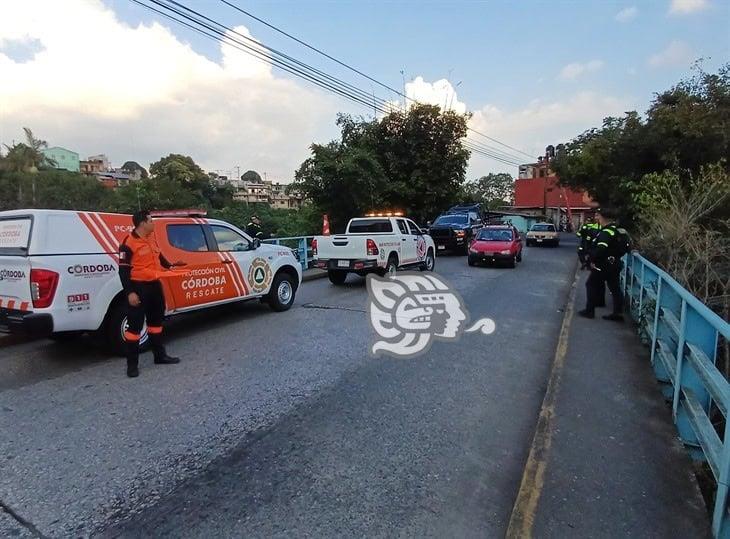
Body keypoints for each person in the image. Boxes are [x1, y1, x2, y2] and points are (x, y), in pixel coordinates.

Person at [118, 210, 186, 378]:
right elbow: (123, 271)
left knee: (156, 323)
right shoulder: (128, 243)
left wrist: (170, 266)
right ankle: (132, 365)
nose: (153, 223)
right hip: (139, 287)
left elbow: (158, 256)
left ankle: (159, 356)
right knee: (134, 328)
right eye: (150, 220)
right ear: (142, 223)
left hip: (154, 285)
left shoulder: (151, 238)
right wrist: (130, 293)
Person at [578, 207, 624, 322]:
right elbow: (626, 247)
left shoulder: (605, 232)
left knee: (591, 284)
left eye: (598, 215)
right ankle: (617, 313)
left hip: (604, 265)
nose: (596, 218)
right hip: (615, 263)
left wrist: (592, 261)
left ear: (603, 217)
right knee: (615, 288)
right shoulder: (619, 230)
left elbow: (600, 250)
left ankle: (590, 311)